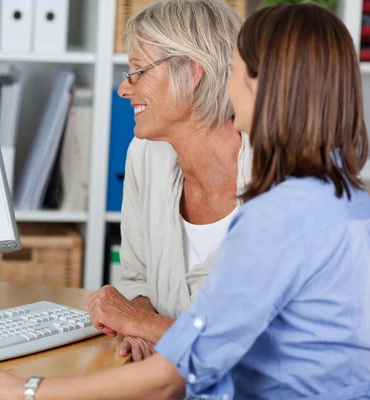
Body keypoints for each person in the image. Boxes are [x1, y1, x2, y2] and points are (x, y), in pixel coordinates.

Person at [0, 3, 370, 399]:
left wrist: (23, 390)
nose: (123, 89)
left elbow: (177, 372)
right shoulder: (345, 201)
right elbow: (154, 299)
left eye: (238, 71)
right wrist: (139, 323)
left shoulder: (275, 214)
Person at [109, 0, 250, 361]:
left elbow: (253, 348)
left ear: (193, 72)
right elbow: (137, 280)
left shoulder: (281, 177)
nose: (125, 89)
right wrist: (139, 328)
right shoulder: (145, 155)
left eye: (138, 71)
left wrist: (139, 322)